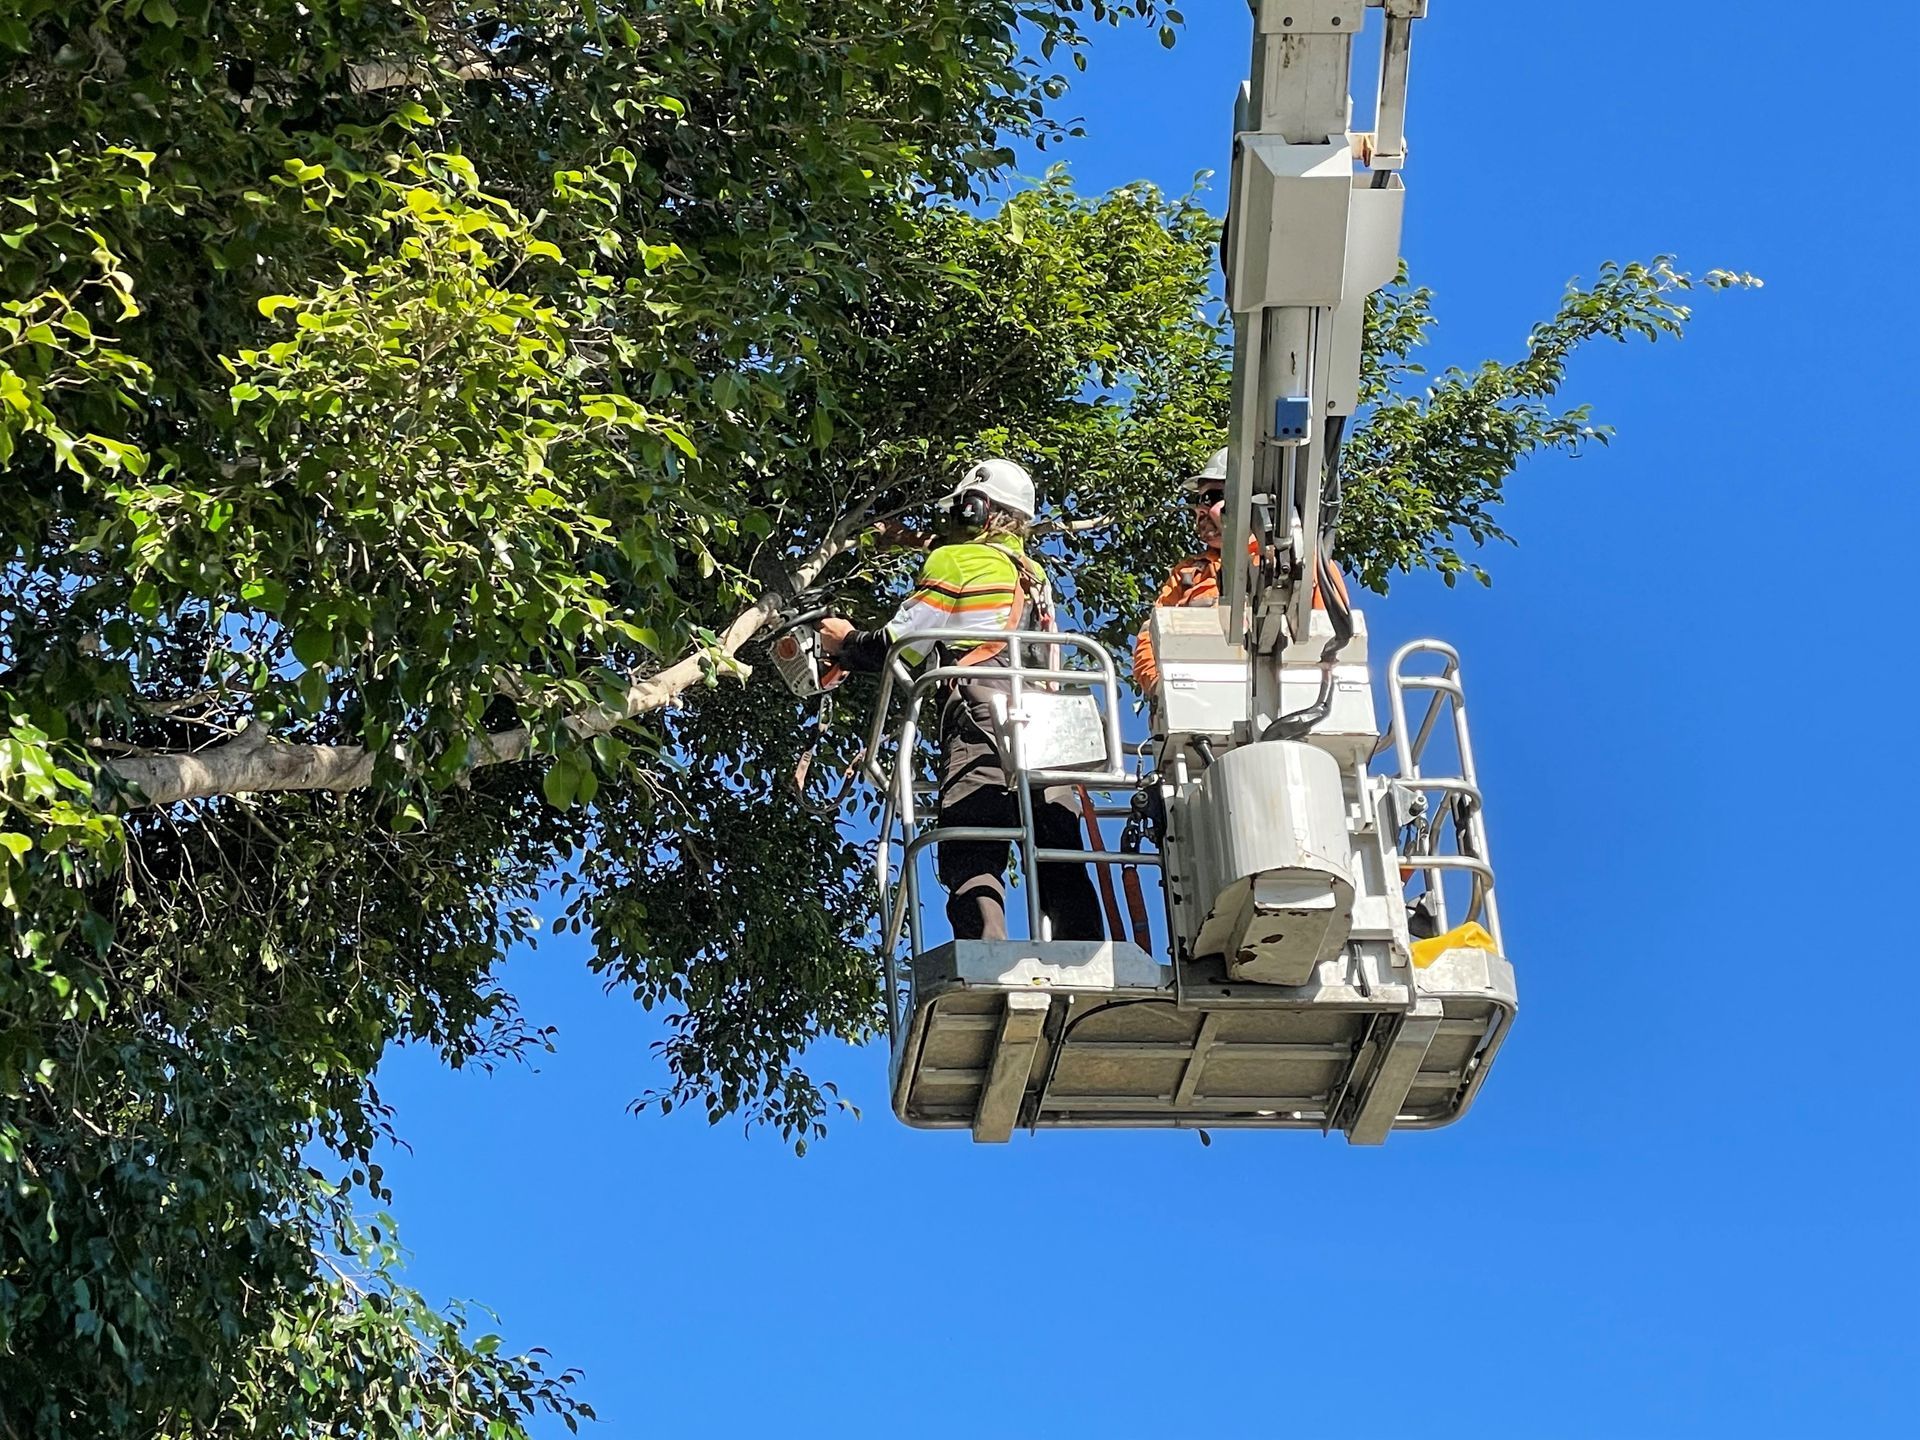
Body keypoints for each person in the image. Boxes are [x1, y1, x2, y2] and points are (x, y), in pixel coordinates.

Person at [818, 460, 1104, 944]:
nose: (951, 521)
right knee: (1058, 847)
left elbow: (902, 643)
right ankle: (1085, 956)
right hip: (1052, 726)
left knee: (971, 841)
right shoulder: (1035, 575)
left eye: (959, 510)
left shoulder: (958, 560)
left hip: (985, 716)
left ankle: (985, 959)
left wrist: (845, 642)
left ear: (978, 508)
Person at [1131, 447, 1229, 696]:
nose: (1201, 511)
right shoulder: (1189, 573)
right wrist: (1159, 687)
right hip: (1197, 700)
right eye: (1199, 502)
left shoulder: (1296, 565)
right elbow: (1150, 635)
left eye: (1213, 497)